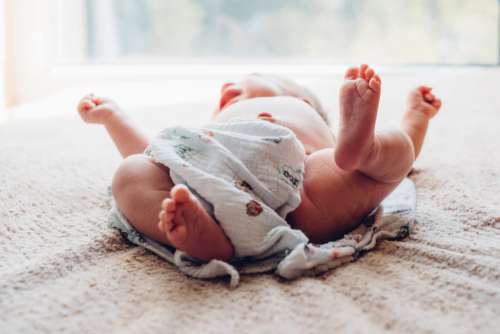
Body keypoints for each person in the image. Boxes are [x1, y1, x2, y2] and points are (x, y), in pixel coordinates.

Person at [77, 64, 441, 262]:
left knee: (397, 153)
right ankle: (205, 237)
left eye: (249, 82)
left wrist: (416, 115)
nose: (231, 86)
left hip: (307, 178)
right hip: (215, 181)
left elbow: (405, 155)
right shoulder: (211, 132)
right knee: (133, 172)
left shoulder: (312, 125)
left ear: (303, 101)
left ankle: (364, 149)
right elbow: (154, 154)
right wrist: (114, 117)